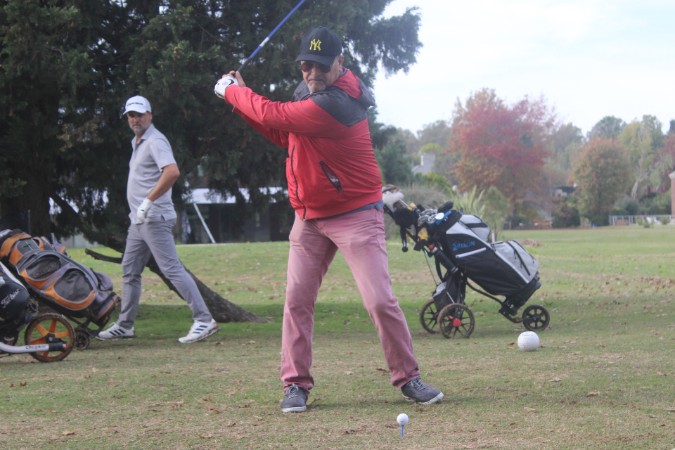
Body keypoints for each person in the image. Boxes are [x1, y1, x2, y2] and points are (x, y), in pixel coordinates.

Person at [213, 26, 443, 412]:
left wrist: (232, 92)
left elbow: (274, 113)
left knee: (379, 300)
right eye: (307, 65)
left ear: (340, 63)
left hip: (355, 214)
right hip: (309, 217)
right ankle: (295, 385)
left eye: (322, 65)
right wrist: (237, 99)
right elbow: (283, 133)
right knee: (297, 300)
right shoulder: (309, 94)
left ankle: (409, 378)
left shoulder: (338, 103)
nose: (313, 73)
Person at [98, 95, 219, 344]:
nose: (135, 120)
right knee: (130, 270)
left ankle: (204, 319)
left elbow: (172, 171)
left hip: (154, 217)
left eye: (139, 115)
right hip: (138, 220)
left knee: (171, 268)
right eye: (131, 116)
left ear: (150, 115)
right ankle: (125, 326)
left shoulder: (155, 140)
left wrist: (148, 201)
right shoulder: (137, 142)